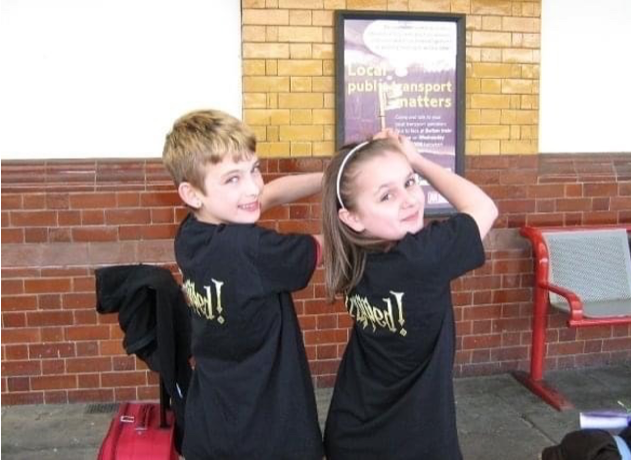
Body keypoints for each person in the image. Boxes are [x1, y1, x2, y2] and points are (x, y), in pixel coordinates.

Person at [321, 129, 498, 460]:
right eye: (386, 196)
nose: (409, 199)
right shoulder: (422, 256)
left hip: (351, 431)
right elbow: (483, 207)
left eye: (410, 181)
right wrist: (416, 159)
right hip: (415, 441)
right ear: (352, 217)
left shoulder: (352, 256)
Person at [162, 109, 324, 460]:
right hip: (269, 436)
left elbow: (267, 196)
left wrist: (332, 177)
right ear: (191, 193)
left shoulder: (191, 234)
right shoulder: (250, 249)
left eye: (255, 169)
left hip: (212, 426)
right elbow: (332, 242)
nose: (253, 187)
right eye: (232, 179)